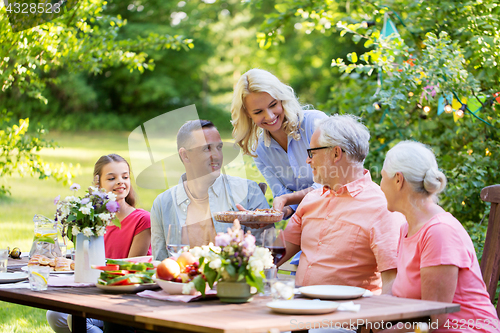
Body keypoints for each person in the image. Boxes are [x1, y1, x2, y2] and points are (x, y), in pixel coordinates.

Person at [277, 114, 405, 294]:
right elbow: (276, 254)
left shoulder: (382, 207)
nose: (308, 160)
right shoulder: (311, 199)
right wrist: (238, 253)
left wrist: (374, 322)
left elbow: (393, 281)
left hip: (349, 317)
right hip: (300, 309)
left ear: (336, 153)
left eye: (312, 153)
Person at [378, 141, 498, 332]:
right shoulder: (407, 228)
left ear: (398, 180)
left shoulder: (439, 232)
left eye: (383, 178)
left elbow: (433, 319)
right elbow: (401, 300)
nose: (380, 185)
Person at [47, 154, 151, 333]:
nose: (120, 182)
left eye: (125, 177)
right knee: (54, 314)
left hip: (124, 297)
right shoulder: (91, 220)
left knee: (76, 320)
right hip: (97, 290)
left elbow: (130, 269)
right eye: (112, 178)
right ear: (98, 185)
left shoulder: (142, 219)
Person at [151, 119, 270, 261]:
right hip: (181, 282)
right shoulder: (163, 203)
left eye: (219, 147)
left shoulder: (249, 192)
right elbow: (160, 263)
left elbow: (264, 254)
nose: (217, 156)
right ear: (185, 155)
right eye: (207, 148)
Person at [231, 68, 328, 218]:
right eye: (258, 112)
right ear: (247, 115)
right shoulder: (259, 149)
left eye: (273, 105)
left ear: (282, 99)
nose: (269, 116)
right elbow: (283, 198)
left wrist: (286, 199)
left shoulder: (314, 124)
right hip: (309, 220)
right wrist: (270, 215)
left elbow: (332, 183)